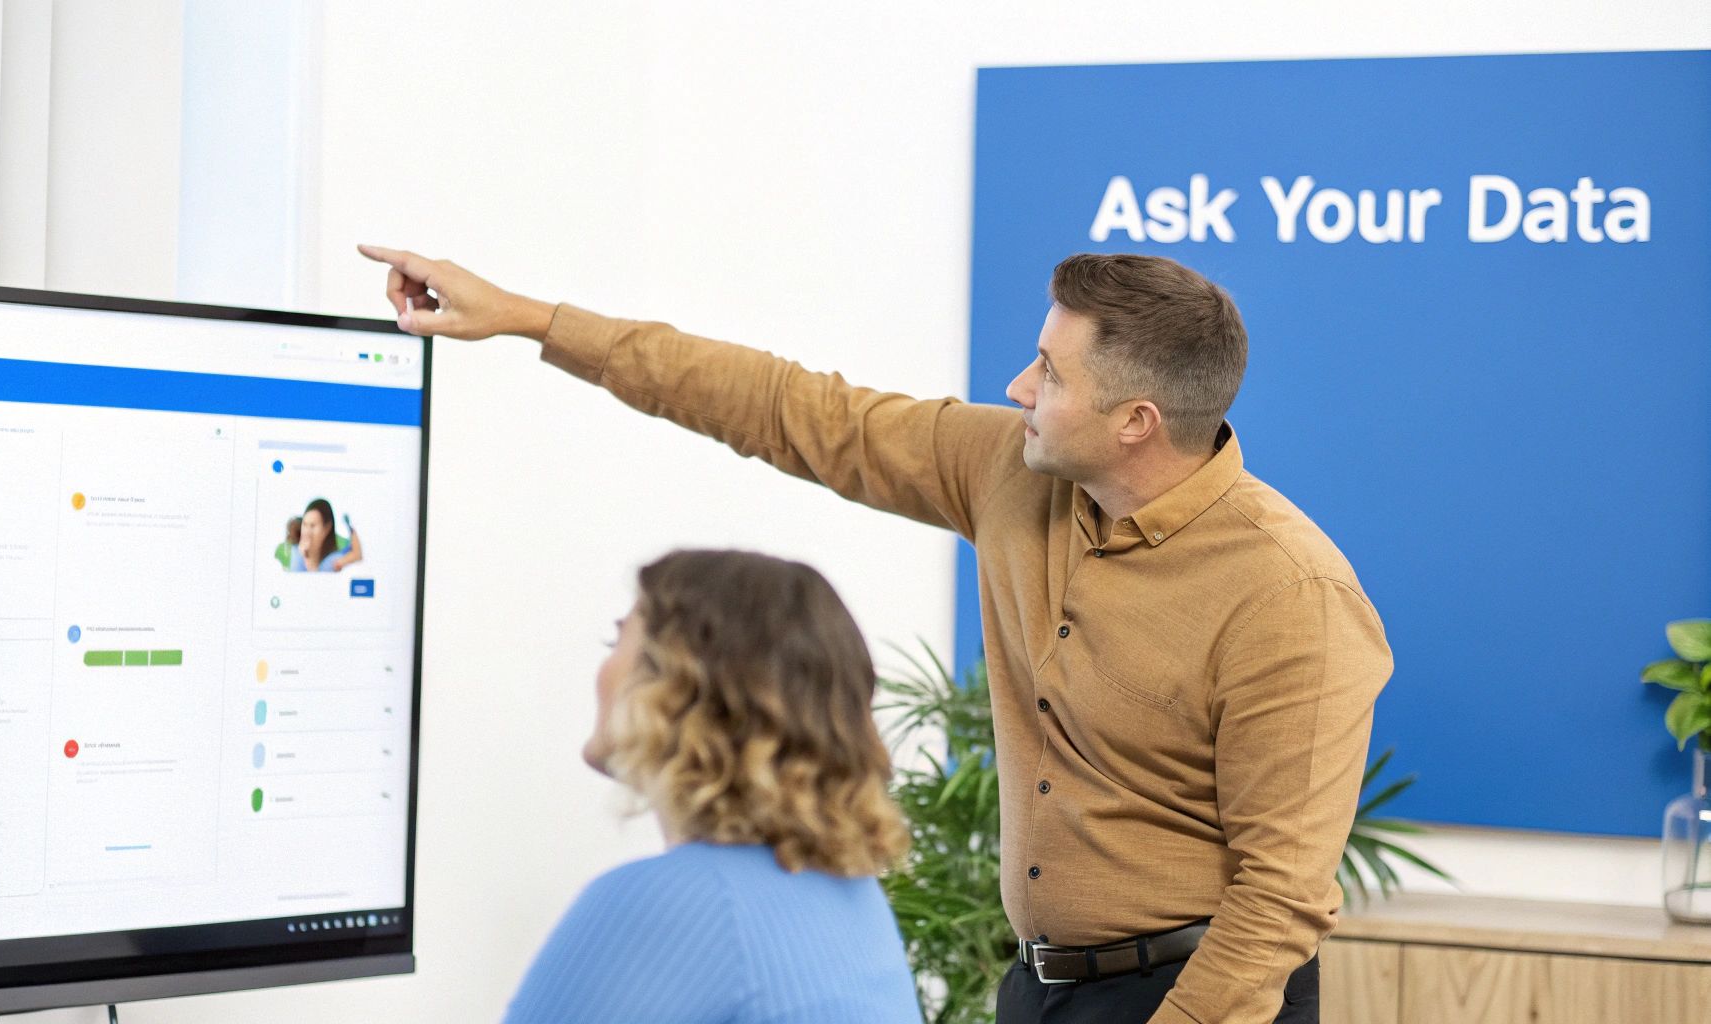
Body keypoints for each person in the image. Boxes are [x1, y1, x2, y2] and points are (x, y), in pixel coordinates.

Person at [360, 244, 1392, 1024]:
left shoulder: (1287, 592)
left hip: (1193, 996)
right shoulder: (1004, 467)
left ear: (1134, 422)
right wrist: (531, 320)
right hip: (1035, 989)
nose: (1016, 389)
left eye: (1049, 372)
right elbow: (791, 409)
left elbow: (1277, 900)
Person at [502, 549, 921, 1024]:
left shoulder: (664, 903)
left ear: (678, 687)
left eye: (616, 642)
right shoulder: (853, 896)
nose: (603, 669)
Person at [288, 498, 364, 573]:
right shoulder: (297, 553)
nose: (307, 531)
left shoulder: (331, 561)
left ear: (327, 528)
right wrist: (306, 557)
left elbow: (357, 554)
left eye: (313, 526)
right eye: (304, 524)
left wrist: (350, 526)